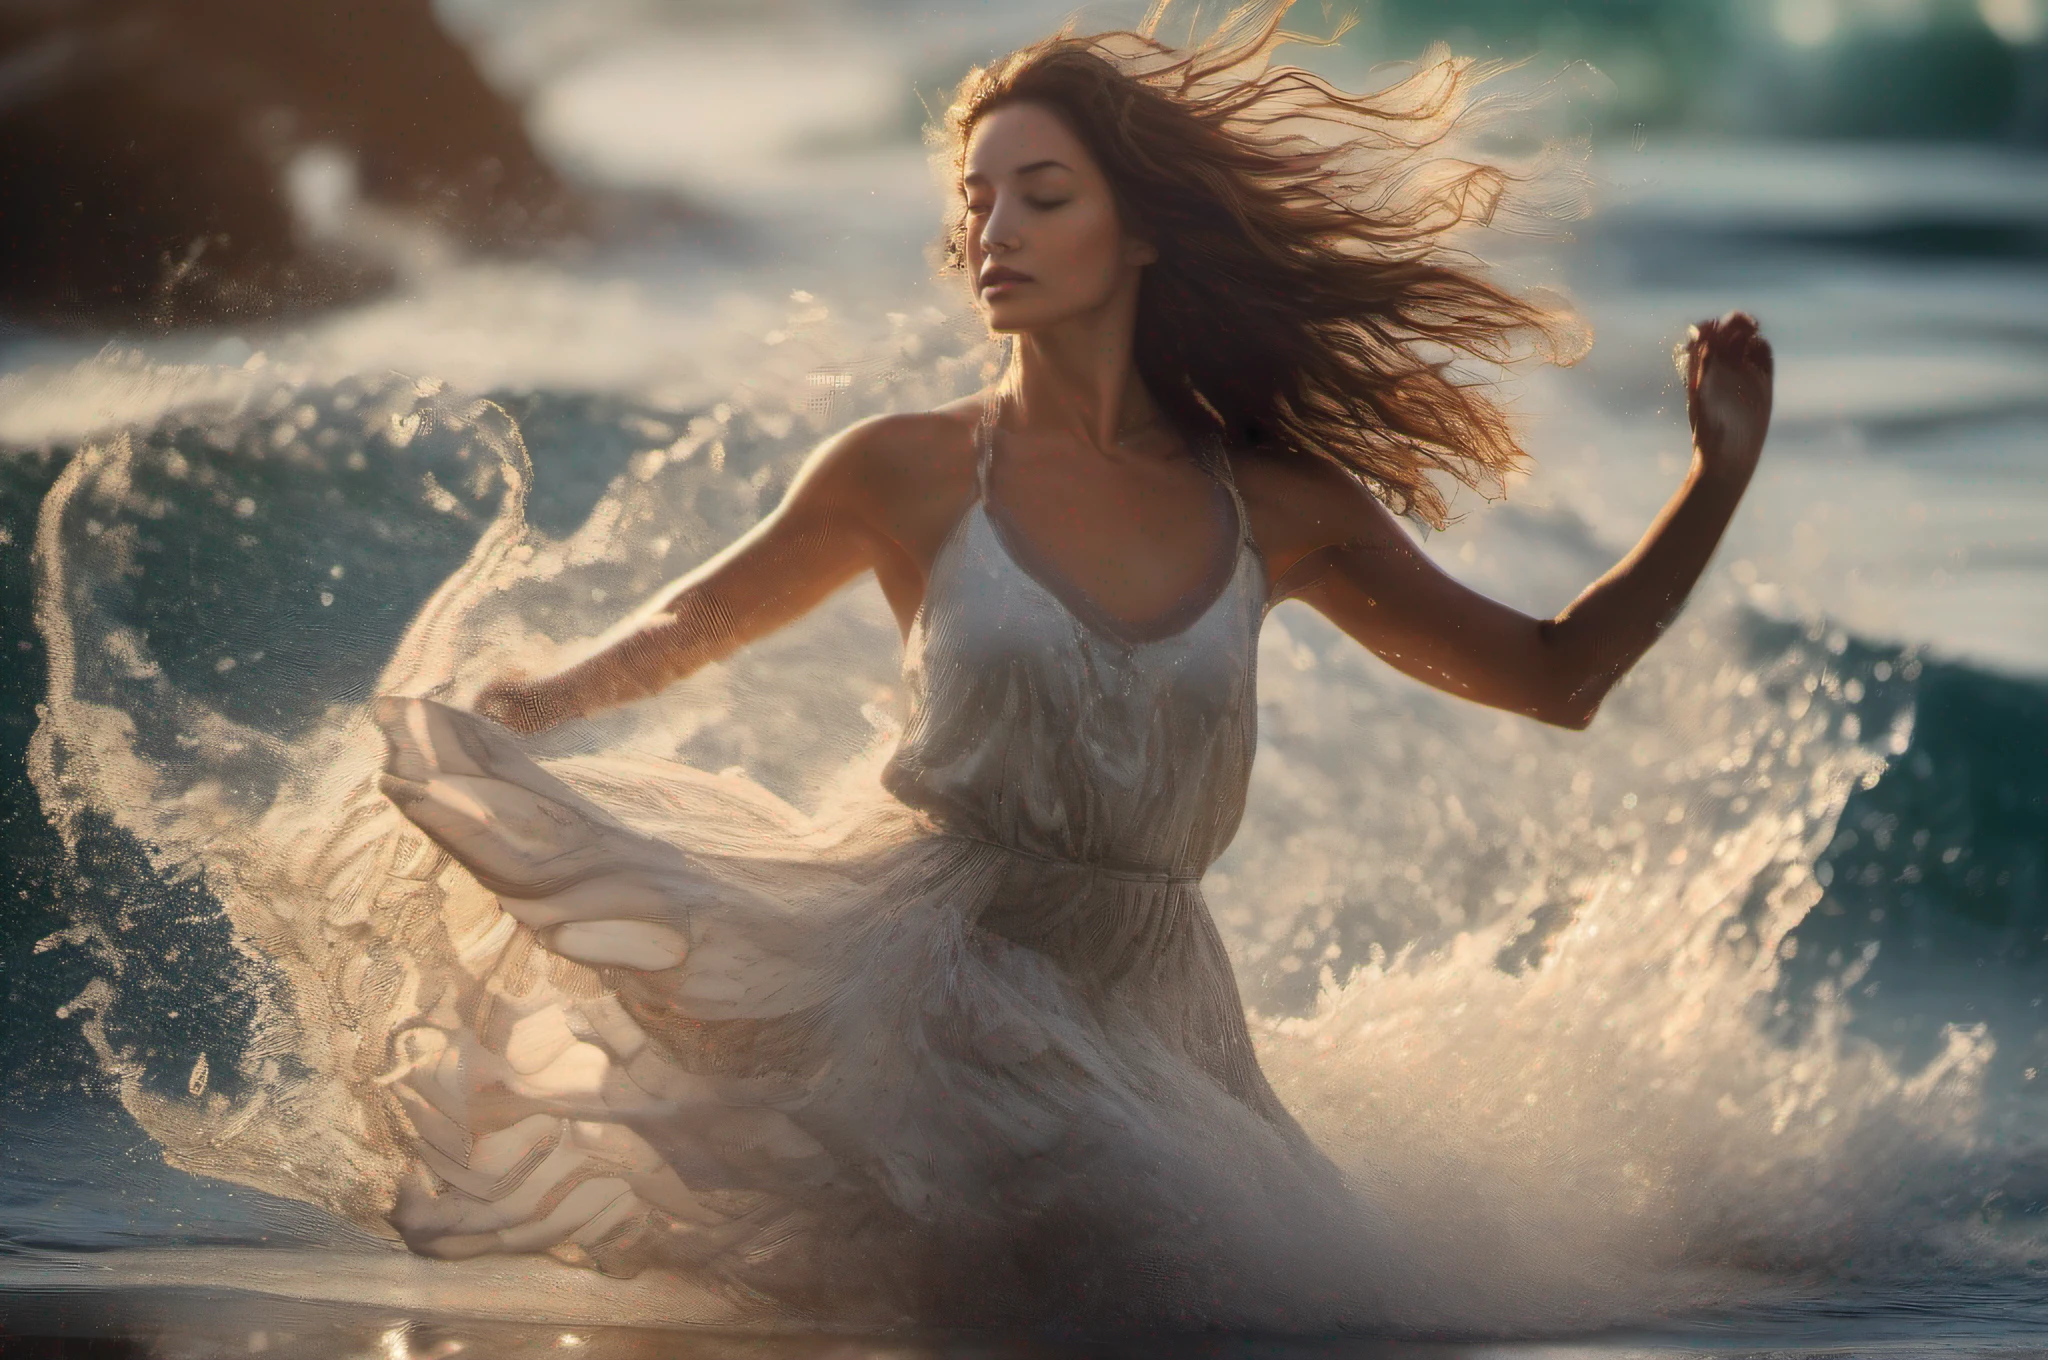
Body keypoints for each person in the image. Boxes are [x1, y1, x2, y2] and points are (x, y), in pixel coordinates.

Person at [373, 5, 1772, 1331]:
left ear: (1142, 229)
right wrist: (540, 702)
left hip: (1161, 1009)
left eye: (1042, 195)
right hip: (929, 964)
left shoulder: (1285, 509)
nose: (997, 230)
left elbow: (1555, 677)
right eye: (978, 201)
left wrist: (1718, 478)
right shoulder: (906, 469)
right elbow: (690, 621)